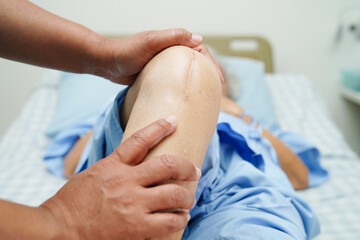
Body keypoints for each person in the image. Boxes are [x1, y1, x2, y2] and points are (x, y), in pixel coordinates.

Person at [43, 47, 328, 239]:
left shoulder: (253, 126)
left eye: (218, 79)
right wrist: (131, 103)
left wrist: (234, 111)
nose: (208, 80)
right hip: (129, 177)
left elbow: (299, 176)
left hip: (242, 193)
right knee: (180, 65)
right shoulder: (123, 110)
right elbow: (73, 166)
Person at [0, 0, 224, 239]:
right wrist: (62, 219)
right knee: (179, 65)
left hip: (236, 190)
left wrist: (105, 52)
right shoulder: (116, 112)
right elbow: (72, 160)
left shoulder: (245, 122)